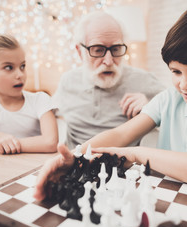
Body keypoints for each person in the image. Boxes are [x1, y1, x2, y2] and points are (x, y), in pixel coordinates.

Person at [34, 2, 187, 201]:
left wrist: (137, 155)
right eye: (176, 71)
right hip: (168, 198)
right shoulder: (169, 98)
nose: (184, 84)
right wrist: (76, 157)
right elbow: (120, 135)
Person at [52, 11, 164, 149]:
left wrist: (152, 107)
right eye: (98, 50)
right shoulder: (68, 81)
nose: (109, 61)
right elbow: (46, 114)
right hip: (75, 163)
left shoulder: (144, 80)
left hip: (125, 166)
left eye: (116, 49)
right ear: (80, 52)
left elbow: (181, 116)